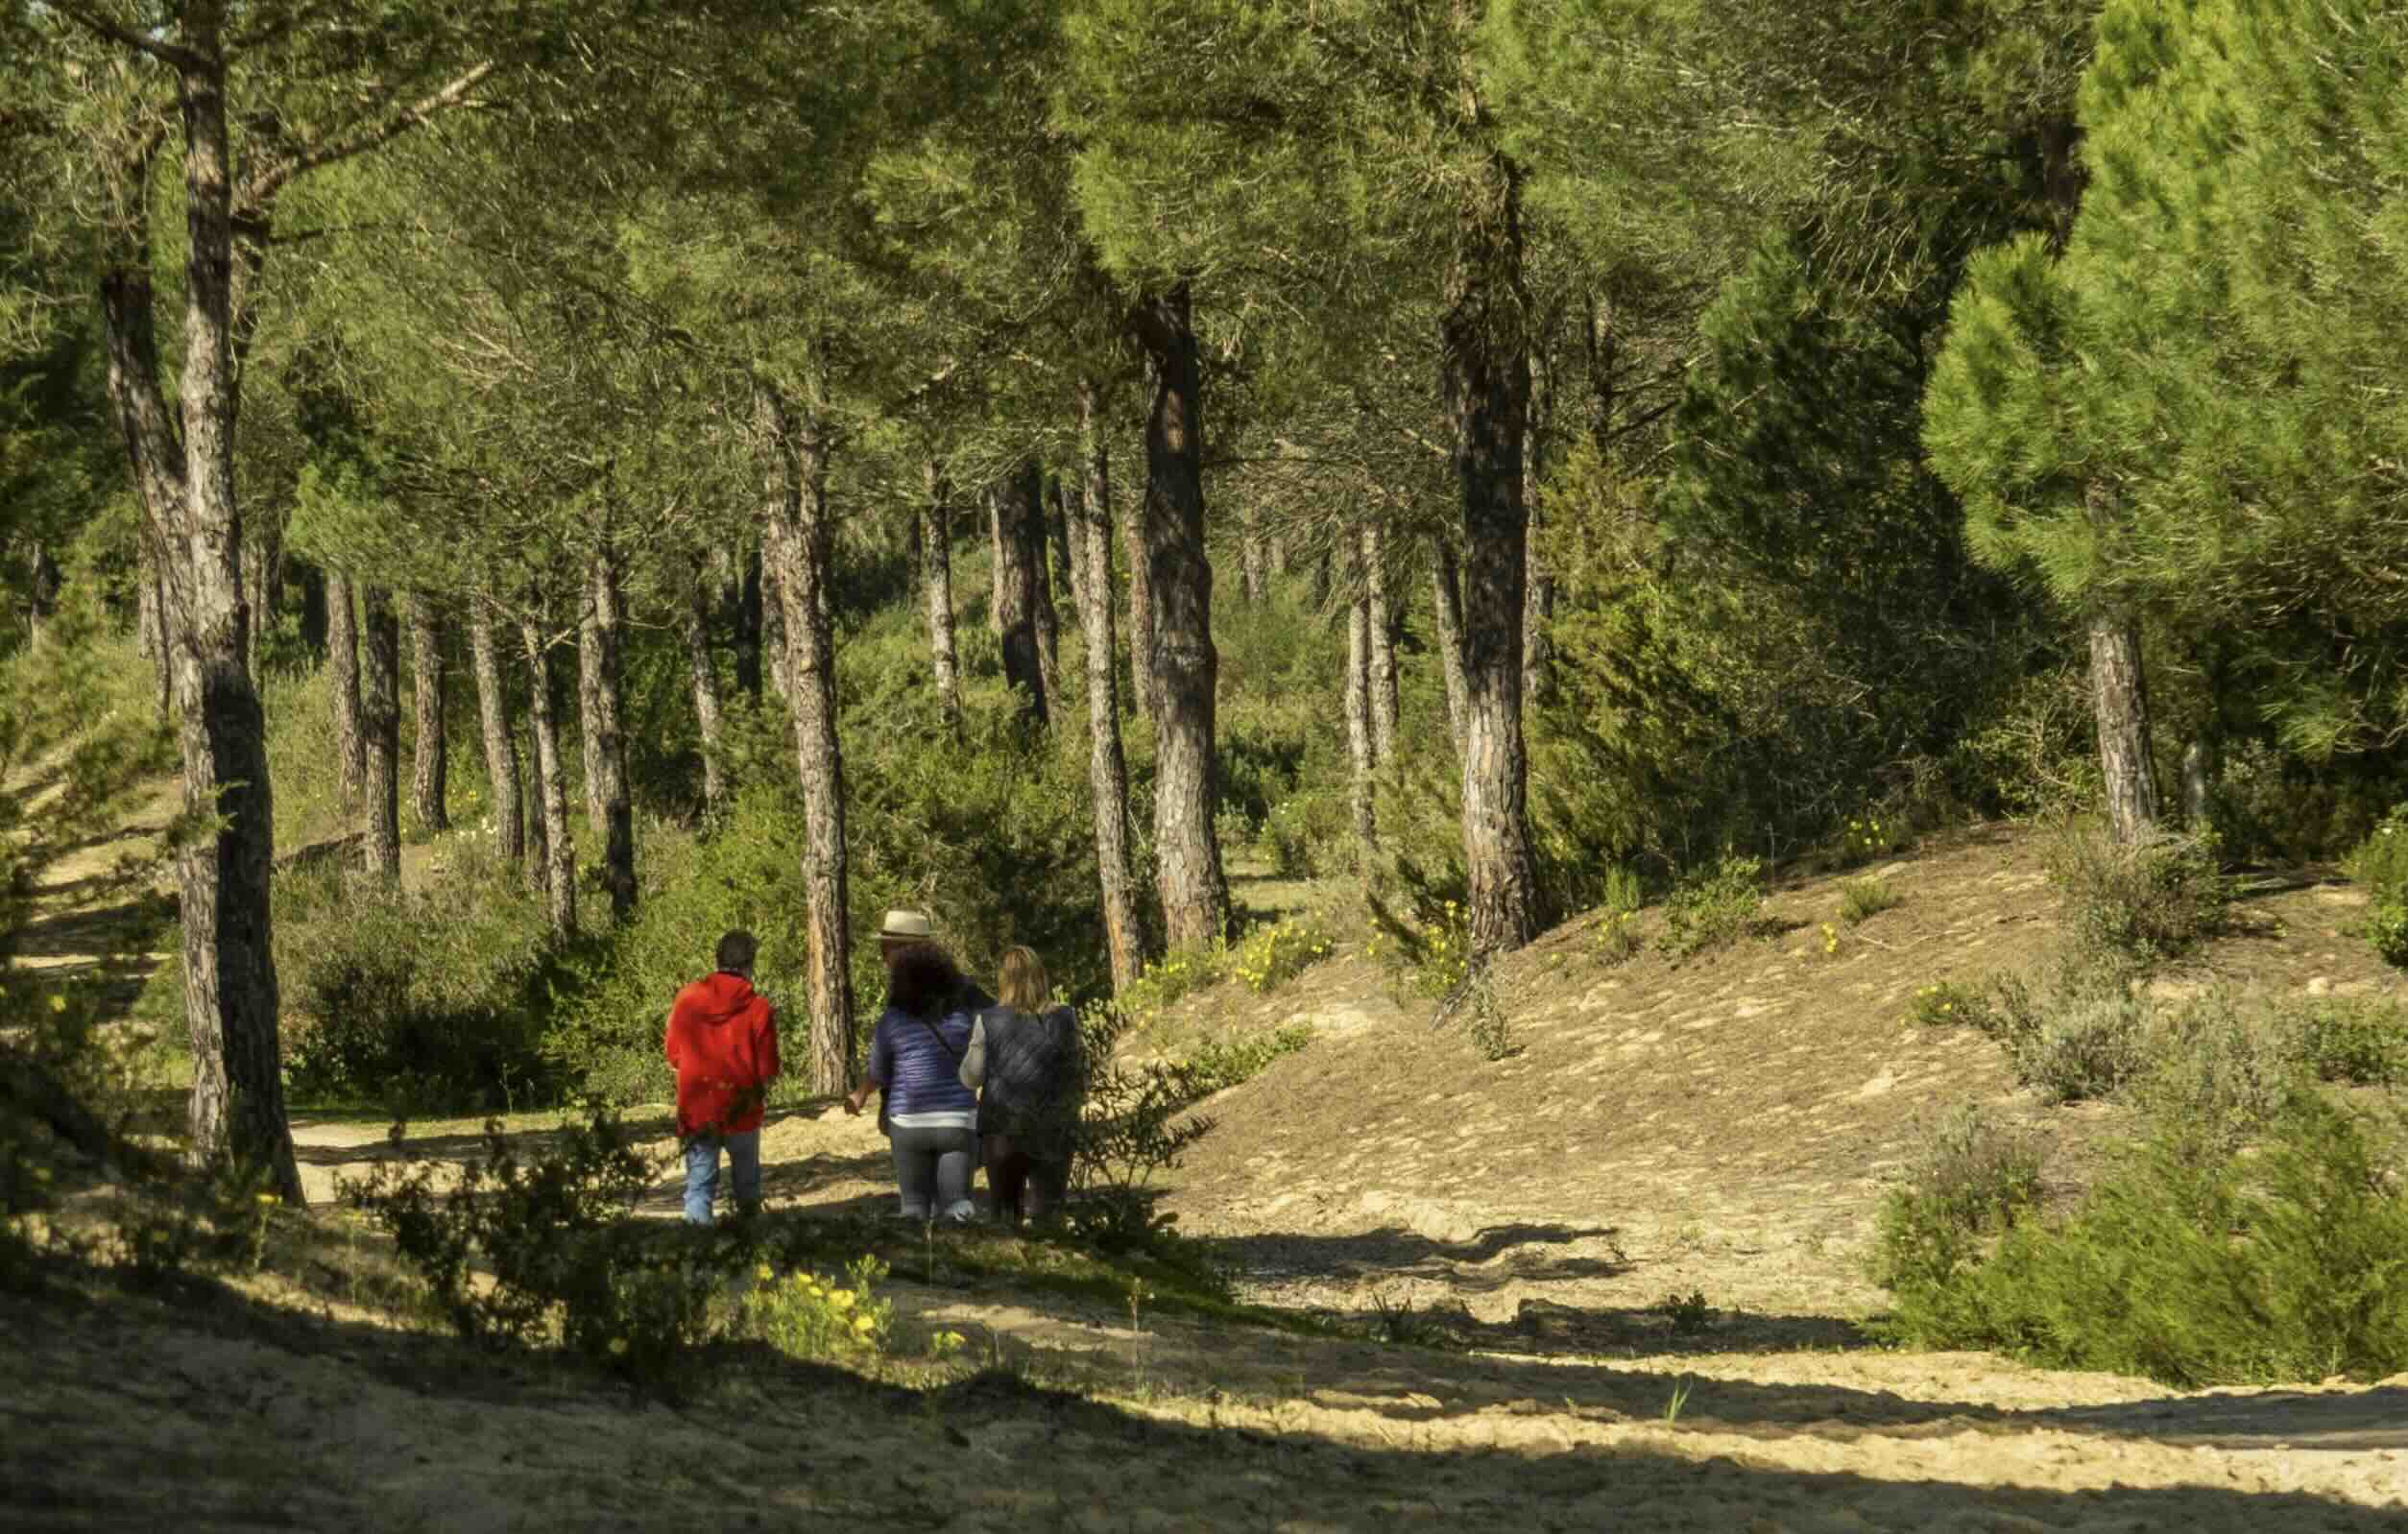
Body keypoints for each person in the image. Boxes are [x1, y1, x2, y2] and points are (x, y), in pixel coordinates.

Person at [843, 940, 980, 1223]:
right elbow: (978, 1068)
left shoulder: (891, 1021)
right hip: (957, 1119)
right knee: (957, 1204)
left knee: (914, 1204)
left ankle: (917, 1258)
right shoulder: (963, 1020)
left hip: (908, 1121)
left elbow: (880, 1073)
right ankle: (964, 1257)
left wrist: (860, 1094)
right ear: (947, 978)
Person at [960, 946, 1083, 1228]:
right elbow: (1077, 1073)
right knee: (1050, 1211)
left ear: (1004, 979)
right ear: (1041, 977)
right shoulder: (1065, 1017)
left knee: (1005, 1213)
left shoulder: (987, 1020)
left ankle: (1010, 1268)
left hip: (1002, 1128)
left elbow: (971, 1077)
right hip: (1052, 1126)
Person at [665, 929, 780, 1225]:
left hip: (697, 1109)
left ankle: (699, 1258)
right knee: (747, 1190)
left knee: (699, 1188)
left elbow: (673, 1055)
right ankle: (750, 1254)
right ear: (750, 964)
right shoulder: (759, 1008)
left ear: (717, 959)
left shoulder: (687, 999)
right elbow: (767, 1069)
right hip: (743, 1109)